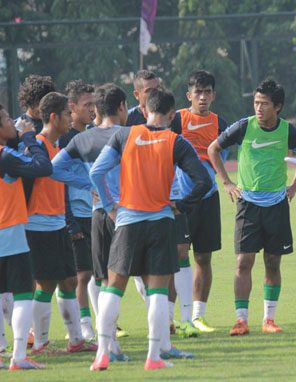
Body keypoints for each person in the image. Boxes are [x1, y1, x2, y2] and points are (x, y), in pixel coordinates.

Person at [89, 87, 211, 371]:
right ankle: (154, 356)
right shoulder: (176, 142)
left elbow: (96, 172)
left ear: (144, 111)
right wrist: (181, 204)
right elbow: (203, 181)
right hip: (161, 222)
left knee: (113, 288)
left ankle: (102, 354)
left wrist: (109, 205)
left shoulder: (124, 135)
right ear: (171, 114)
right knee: (157, 292)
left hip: (128, 223)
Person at [208, 78, 296, 335]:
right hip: (248, 205)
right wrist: (227, 183)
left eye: (264, 104)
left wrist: (294, 186)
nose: (258, 108)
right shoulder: (244, 127)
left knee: (273, 262)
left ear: (277, 106)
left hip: (277, 205)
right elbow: (213, 149)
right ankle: (241, 320)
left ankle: (269, 320)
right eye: (256, 103)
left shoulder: (289, 131)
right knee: (243, 262)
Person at [0, 101, 52, 371]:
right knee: (24, 294)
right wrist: (29, 137)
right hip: (10, 235)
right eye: (7, 120)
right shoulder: (2, 155)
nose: (12, 123)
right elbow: (43, 167)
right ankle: (19, 357)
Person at [52, 83, 131, 352]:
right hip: (129, 213)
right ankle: (159, 339)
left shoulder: (82, 139)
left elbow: (53, 169)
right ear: (122, 107)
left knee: (102, 279)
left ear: (97, 108)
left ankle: (108, 342)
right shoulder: (131, 135)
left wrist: (88, 185)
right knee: (146, 279)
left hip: (98, 216)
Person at [22, 92, 96, 355]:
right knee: (46, 284)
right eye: (66, 114)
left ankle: (76, 340)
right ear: (53, 117)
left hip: (57, 224)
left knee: (69, 281)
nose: (70, 118)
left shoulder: (56, 148)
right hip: (38, 225)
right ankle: (40, 345)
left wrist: (91, 187)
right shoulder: (37, 145)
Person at [168, 69, 229, 334]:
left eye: (207, 92)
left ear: (213, 95)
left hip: (208, 197)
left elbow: (221, 158)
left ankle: (197, 316)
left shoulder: (221, 124)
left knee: (204, 257)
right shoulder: (178, 119)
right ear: (188, 94)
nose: (202, 97)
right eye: (197, 92)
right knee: (178, 255)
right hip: (179, 199)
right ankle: (173, 317)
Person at [58, 80, 97, 341]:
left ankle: (99, 322)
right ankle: (83, 325)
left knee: (97, 272)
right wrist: (69, 221)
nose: (93, 109)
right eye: (87, 105)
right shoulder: (65, 140)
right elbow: (58, 182)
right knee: (81, 274)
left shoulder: (94, 134)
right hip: (75, 216)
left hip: (96, 214)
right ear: (72, 108)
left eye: (94, 104)